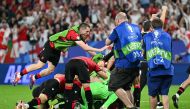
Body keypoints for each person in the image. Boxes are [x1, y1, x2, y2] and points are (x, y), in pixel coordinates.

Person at [12, 23, 108, 89]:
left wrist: (100, 57)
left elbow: (87, 48)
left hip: (57, 51)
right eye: (87, 31)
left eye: (89, 31)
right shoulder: (73, 34)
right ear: (81, 30)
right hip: (50, 45)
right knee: (39, 65)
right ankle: (19, 74)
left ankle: (34, 78)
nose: (88, 34)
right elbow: (86, 48)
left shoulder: (80, 36)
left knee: (50, 70)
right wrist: (100, 49)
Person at [105, 12, 143, 109]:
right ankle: (131, 106)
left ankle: (130, 106)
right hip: (136, 64)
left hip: (124, 64)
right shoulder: (136, 28)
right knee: (127, 87)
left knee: (113, 84)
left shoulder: (118, 29)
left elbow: (107, 42)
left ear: (118, 20)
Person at [143, 18, 174, 109]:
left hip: (154, 71)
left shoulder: (147, 37)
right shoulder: (168, 36)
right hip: (167, 70)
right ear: (162, 26)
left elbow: (143, 49)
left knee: (153, 95)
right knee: (164, 94)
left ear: (152, 27)